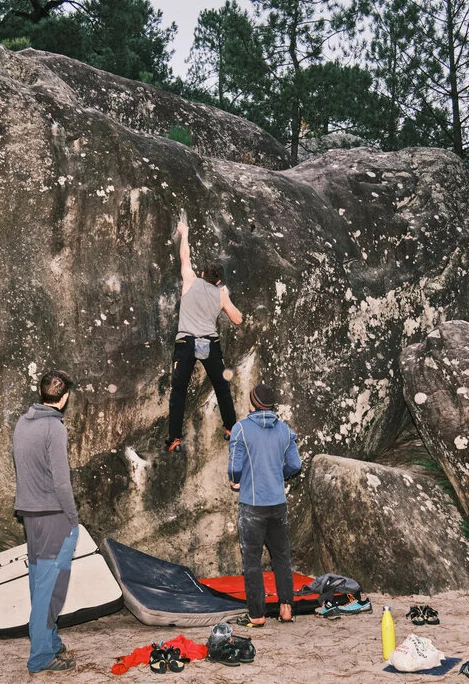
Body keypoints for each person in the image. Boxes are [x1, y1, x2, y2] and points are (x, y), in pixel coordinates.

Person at [13, 370, 80, 675]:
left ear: (42, 393)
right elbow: (62, 483)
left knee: (39, 583)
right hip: (54, 515)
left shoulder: (23, 422)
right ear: (64, 398)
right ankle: (40, 655)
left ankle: (50, 641)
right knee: (50, 587)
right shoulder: (55, 428)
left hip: (29, 515)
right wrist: (73, 518)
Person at [166, 214, 244, 452]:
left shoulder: (190, 280)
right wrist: (225, 297)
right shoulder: (221, 293)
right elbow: (238, 319)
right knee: (221, 387)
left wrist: (184, 234)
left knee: (179, 390)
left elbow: (184, 256)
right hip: (210, 343)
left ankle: (174, 439)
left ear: (202, 274)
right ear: (219, 280)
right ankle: (230, 428)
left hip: (186, 342)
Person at [227, 383, 301, 627]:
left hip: (252, 504)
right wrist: (278, 474)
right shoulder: (285, 430)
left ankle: (257, 615)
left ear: (252, 403)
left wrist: (236, 481)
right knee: (282, 558)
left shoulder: (241, 429)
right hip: (278, 503)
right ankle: (287, 608)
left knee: (252, 561)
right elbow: (295, 465)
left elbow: (235, 468)